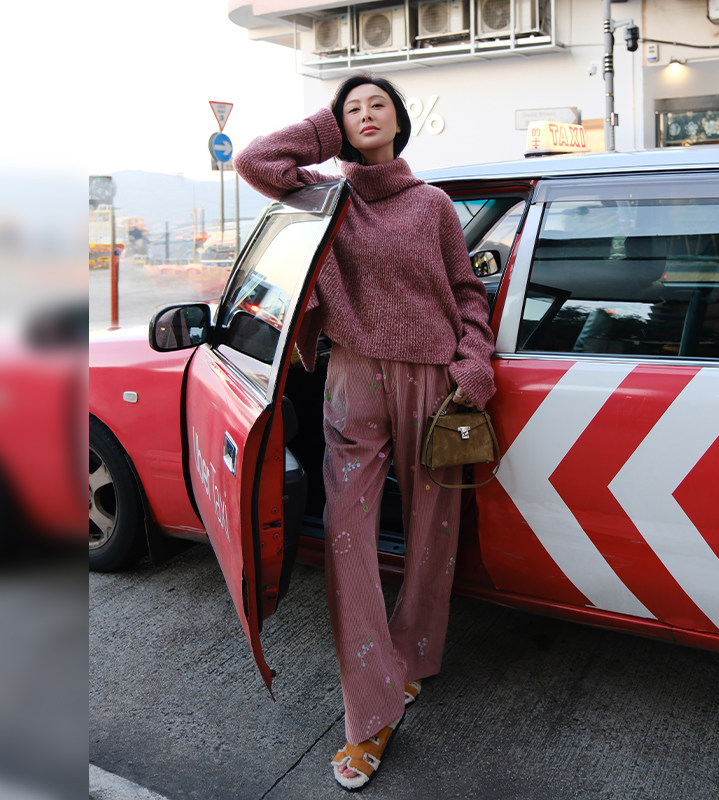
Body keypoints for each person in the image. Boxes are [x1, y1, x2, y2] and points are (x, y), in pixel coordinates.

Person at [234, 73, 495, 791]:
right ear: (338, 126)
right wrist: (328, 129)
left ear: (401, 121)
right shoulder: (324, 198)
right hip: (352, 377)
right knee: (346, 541)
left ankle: (413, 656)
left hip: (434, 378)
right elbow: (254, 161)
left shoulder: (433, 204)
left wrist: (473, 364)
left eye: (379, 104)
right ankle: (369, 714)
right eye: (352, 108)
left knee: (433, 530)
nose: (366, 113)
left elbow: (467, 290)